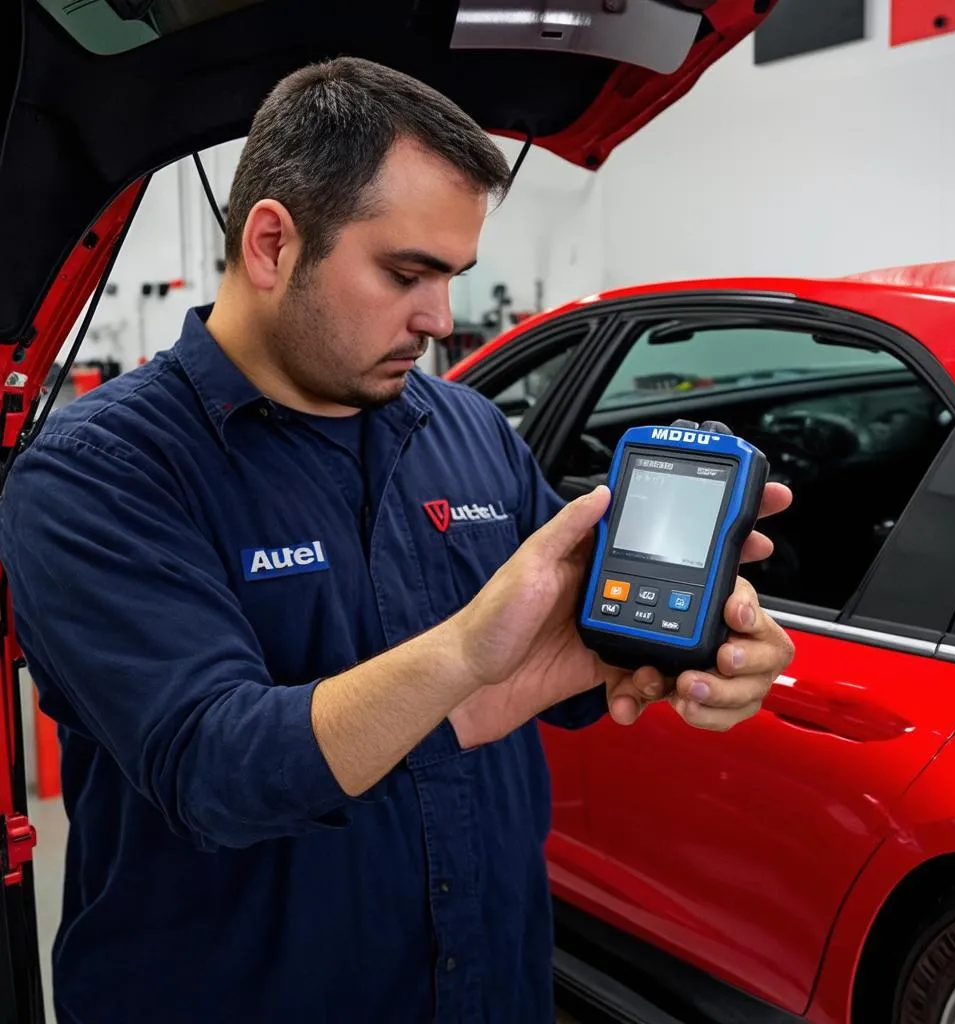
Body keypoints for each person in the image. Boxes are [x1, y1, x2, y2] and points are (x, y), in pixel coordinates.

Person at [0, 57, 795, 1023]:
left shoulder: (466, 430)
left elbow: (568, 662)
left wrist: (689, 648)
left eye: (452, 276)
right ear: (270, 243)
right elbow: (214, 769)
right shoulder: (98, 475)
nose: (439, 318)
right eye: (405, 273)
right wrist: (461, 656)